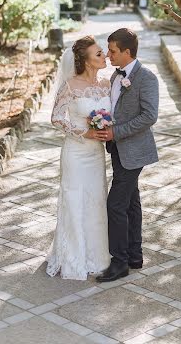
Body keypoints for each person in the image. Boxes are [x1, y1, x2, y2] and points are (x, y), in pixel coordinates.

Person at [96, 28, 159, 283]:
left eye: (112, 51)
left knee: (116, 204)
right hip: (117, 149)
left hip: (134, 151)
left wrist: (116, 132)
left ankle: (119, 262)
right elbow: (114, 109)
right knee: (132, 202)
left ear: (126, 52)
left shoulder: (146, 78)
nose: (108, 55)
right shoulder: (115, 76)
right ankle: (135, 255)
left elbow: (149, 116)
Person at [46, 36, 111, 280]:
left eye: (103, 52)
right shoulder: (71, 85)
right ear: (85, 61)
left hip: (96, 155)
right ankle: (74, 258)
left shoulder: (106, 84)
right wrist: (85, 132)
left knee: (95, 202)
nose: (104, 56)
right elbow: (56, 117)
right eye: (98, 54)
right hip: (75, 152)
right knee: (75, 200)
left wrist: (106, 129)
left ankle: (98, 257)